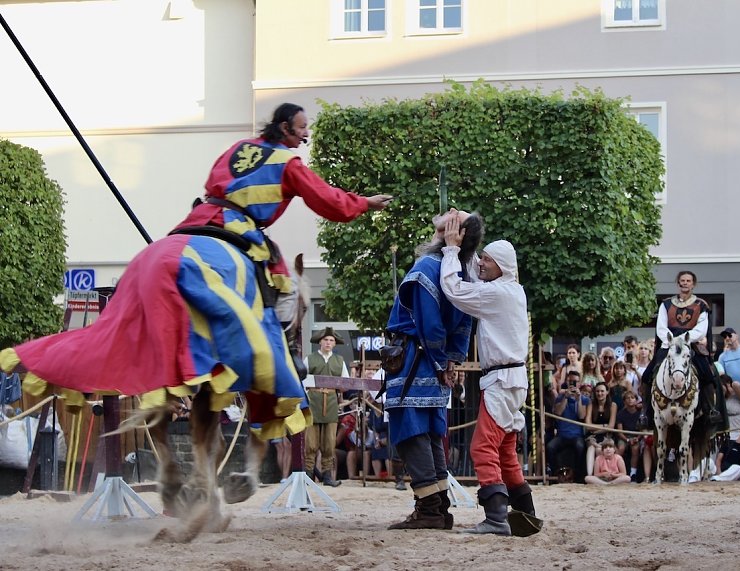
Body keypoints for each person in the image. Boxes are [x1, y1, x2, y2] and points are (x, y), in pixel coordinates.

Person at [0, 102, 392, 438]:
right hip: (240, 230)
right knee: (281, 287)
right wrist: (364, 203)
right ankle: (279, 360)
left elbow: (213, 182)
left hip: (195, 221)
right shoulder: (289, 163)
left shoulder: (237, 148)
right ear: (287, 128)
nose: (306, 134)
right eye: (303, 128)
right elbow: (328, 201)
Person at [439, 217, 541, 537]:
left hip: (501, 381)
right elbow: (475, 277)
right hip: (511, 379)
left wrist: (451, 250)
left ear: (502, 266)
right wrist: (463, 237)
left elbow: (454, 290)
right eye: (481, 257)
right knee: (505, 451)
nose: (481, 263)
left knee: (482, 447)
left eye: (487, 260)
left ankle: (496, 518)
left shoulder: (496, 293)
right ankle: (525, 513)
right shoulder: (511, 289)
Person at [384, 208, 484, 531]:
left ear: (454, 232)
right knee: (429, 433)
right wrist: (451, 360)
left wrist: (441, 360)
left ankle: (428, 509)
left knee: (411, 432)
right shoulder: (460, 274)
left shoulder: (428, 266)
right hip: (435, 362)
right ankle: (439, 506)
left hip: (416, 359)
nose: (450, 210)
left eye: (456, 214)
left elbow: (429, 323)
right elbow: (464, 324)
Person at [640, 271, 722, 426]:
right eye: (682, 280)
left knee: (707, 374)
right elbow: (661, 327)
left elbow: (701, 330)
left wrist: (684, 339)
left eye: (688, 281)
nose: (685, 283)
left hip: (691, 345)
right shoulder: (666, 304)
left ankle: (711, 410)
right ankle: (645, 412)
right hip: (669, 344)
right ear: (678, 283)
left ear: (693, 284)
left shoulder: (701, 305)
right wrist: (672, 340)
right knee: (647, 375)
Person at [303, 327, 349, 487]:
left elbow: (345, 383)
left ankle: (328, 476)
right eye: (326, 340)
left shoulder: (339, 360)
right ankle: (309, 475)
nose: (328, 343)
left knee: (329, 443)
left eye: (331, 340)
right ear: (320, 342)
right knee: (310, 443)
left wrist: (340, 385)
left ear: (334, 344)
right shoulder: (310, 359)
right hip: (313, 402)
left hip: (330, 403)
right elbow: (302, 381)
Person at [547, 371, 589, 484]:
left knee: (580, 446)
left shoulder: (584, 399)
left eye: (575, 381)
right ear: (567, 382)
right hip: (562, 435)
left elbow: (581, 416)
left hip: (577, 435)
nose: (573, 384)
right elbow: (558, 413)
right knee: (550, 447)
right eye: (571, 381)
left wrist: (578, 399)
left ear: (580, 383)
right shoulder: (560, 397)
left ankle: (578, 476)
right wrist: (565, 397)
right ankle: (556, 474)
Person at [585, 382, 617, 476]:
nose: (600, 393)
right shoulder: (591, 405)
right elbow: (588, 426)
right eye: (597, 391)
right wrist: (604, 426)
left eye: (602, 391)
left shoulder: (613, 405)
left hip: (607, 436)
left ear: (607, 392)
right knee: (591, 448)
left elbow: (611, 427)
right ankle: (590, 475)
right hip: (592, 436)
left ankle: (601, 474)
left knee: (599, 449)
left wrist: (595, 429)